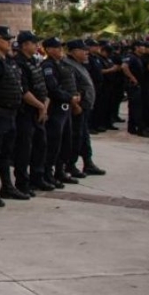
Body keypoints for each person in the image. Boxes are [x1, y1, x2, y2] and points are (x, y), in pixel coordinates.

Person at [0, 26, 30, 204]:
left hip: (11, 112)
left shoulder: (8, 60)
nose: (8, 43)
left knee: (6, 153)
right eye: (5, 39)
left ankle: (7, 186)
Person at [13, 32, 51, 194]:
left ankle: (38, 177)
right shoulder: (19, 63)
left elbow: (42, 86)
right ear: (25, 45)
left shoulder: (34, 62)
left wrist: (44, 106)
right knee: (24, 149)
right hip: (26, 111)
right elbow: (24, 91)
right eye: (34, 43)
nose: (37, 46)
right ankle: (23, 182)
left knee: (40, 145)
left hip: (39, 111)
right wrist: (40, 106)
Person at [40, 37, 80, 188]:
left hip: (65, 107)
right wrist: (69, 98)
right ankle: (48, 172)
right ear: (49, 49)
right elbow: (52, 88)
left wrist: (75, 96)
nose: (60, 50)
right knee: (53, 142)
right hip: (56, 108)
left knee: (65, 141)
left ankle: (60, 170)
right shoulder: (47, 66)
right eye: (57, 48)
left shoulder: (61, 64)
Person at [65, 40, 106, 177]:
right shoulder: (69, 65)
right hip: (77, 107)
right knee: (76, 136)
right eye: (82, 50)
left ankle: (87, 162)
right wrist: (76, 105)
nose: (86, 52)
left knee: (83, 136)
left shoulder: (80, 64)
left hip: (85, 106)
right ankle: (70, 164)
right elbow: (72, 88)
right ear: (73, 51)